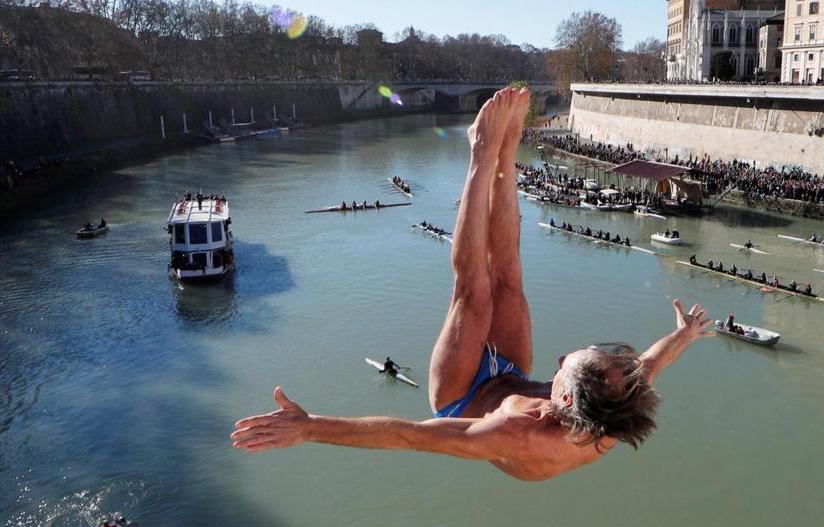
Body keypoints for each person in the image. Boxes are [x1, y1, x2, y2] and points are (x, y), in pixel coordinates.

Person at [231, 88, 714, 482]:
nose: (562, 358)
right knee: (508, 277)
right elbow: (653, 361)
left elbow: (409, 434)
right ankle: (508, 151)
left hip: (463, 398)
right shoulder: (617, 395)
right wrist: (686, 334)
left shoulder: (513, 433)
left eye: (567, 366)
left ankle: (481, 152)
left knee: (473, 291)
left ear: (563, 400)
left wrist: (309, 427)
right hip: (509, 377)